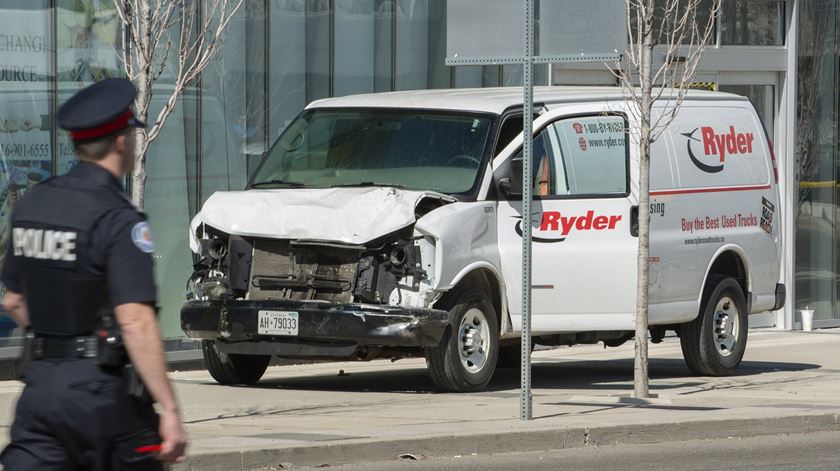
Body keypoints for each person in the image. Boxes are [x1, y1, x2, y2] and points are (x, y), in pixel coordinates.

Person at [0, 78, 188, 470]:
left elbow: (13, 300)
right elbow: (135, 321)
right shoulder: (119, 219)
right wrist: (169, 408)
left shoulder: (33, 204)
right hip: (103, 400)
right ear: (123, 142)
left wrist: (59, 336)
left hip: (41, 391)